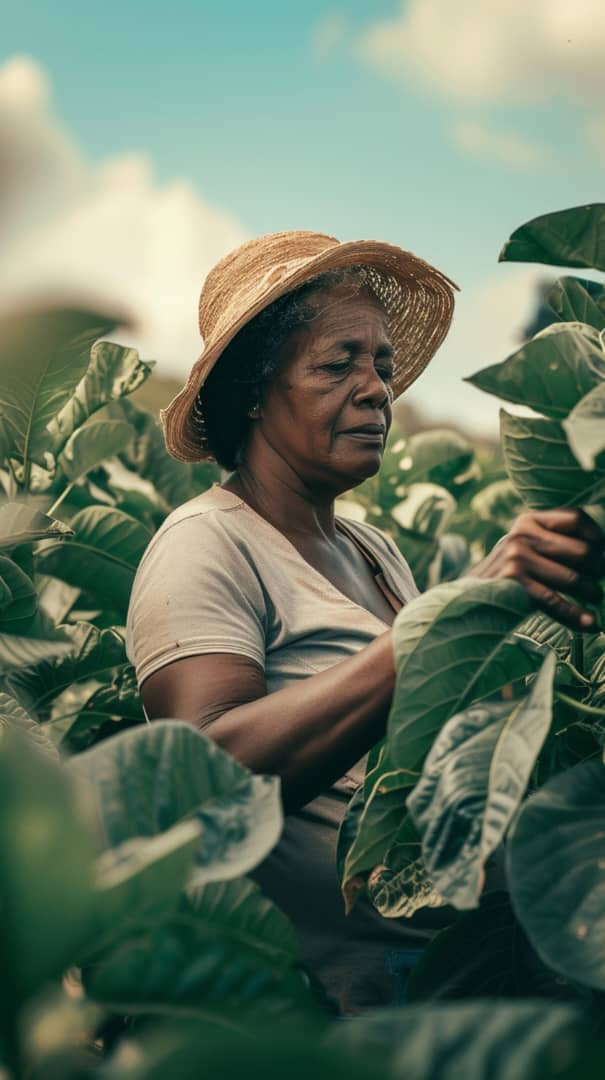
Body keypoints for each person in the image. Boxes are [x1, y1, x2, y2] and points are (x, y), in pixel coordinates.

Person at [125, 230, 604, 1014]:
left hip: (439, 991)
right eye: (336, 363)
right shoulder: (206, 542)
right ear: (252, 388)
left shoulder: (369, 547)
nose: (377, 388)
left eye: (381, 365)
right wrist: (451, 613)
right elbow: (202, 780)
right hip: (324, 1013)